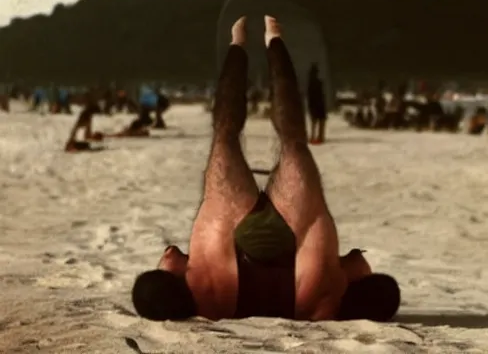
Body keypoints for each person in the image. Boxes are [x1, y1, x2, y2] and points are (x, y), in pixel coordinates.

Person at [131, 16, 400, 322]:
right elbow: (171, 259)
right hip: (238, 248)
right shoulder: (326, 297)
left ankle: (268, 40)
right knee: (234, 136)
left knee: (288, 140)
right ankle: (244, 43)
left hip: (279, 252)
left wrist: (355, 268)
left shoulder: (326, 292)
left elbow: (356, 264)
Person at [307, 63, 327, 144]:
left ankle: (313, 136)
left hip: (313, 104)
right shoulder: (318, 82)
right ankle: (320, 137)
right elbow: (321, 95)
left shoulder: (310, 82)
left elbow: (309, 95)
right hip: (319, 104)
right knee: (321, 121)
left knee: (314, 122)